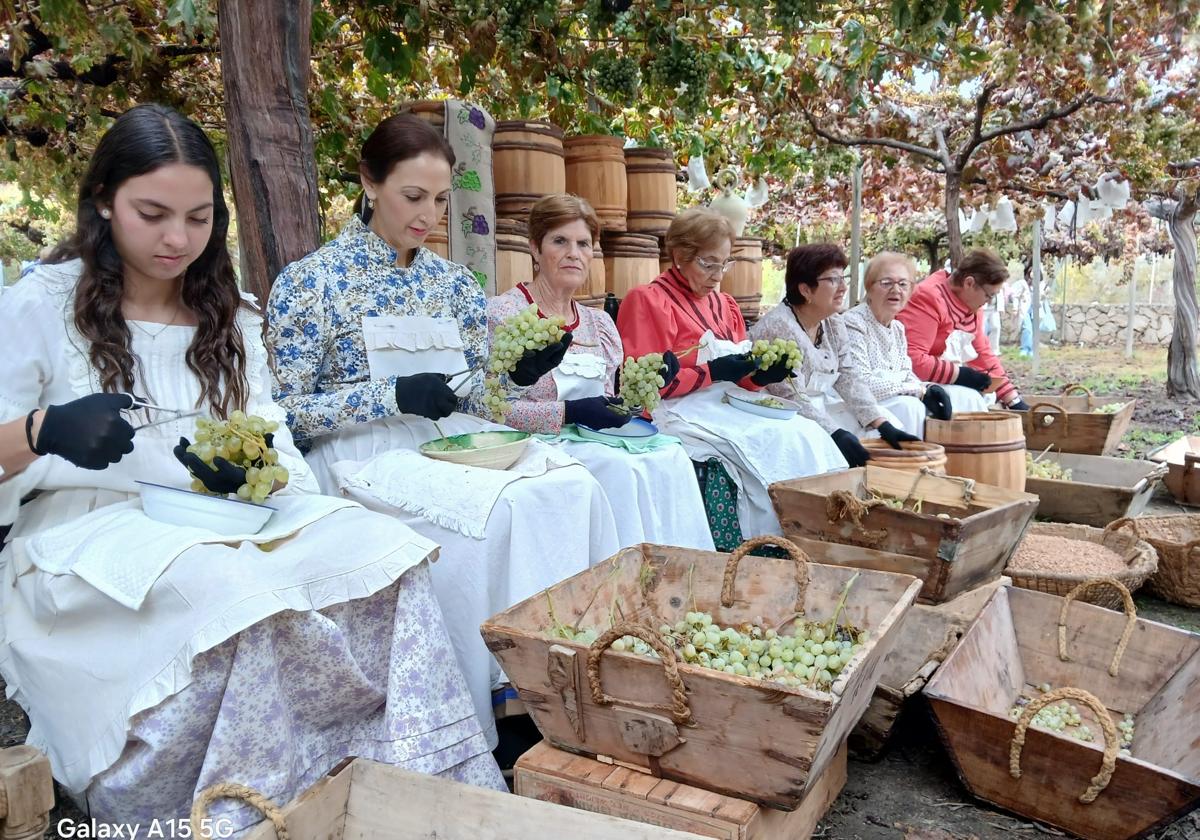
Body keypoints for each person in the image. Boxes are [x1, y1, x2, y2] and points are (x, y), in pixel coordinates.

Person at [0, 105, 501, 831]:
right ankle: (227, 811)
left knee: (385, 554)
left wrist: (289, 499)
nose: (177, 239)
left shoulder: (224, 314)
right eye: (152, 214)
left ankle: (404, 779)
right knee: (232, 591)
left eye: (199, 218)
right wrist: (45, 431)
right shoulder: (42, 305)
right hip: (87, 536)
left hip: (218, 516)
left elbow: (271, 435)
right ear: (104, 200)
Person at [268, 114, 620, 746]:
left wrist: (517, 374)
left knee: (575, 488)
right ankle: (488, 709)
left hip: (455, 444)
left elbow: (478, 395)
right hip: (360, 454)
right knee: (498, 519)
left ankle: (564, 678)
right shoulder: (311, 282)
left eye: (438, 199)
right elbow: (286, 412)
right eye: (412, 197)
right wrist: (389, 394)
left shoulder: (453, 283)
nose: (428, 215)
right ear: (369, 182)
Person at [487, 194, 713, 550]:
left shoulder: (600, 323)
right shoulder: (503, 315)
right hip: (536, 445)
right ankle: (619, 579)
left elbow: (611, 402)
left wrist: (644, 390)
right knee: (621, 470)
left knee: (671, 458)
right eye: (560, 241)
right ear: (534, 247)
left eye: (583, 244)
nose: (573, 253)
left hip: (595, 440)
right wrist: (570, 412)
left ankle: (676, 572)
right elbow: (490, 411)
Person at [616, 208, 846, 550]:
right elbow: (646, 388)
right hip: (679, 409)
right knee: (770, 440)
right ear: (679, 256)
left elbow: (741, 380)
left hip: (728, 406)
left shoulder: (725, 305)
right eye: (708, 264)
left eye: (725, 264)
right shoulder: (648, 300)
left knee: (805, 433)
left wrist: (759, 376)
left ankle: (815, 536)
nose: (717, 275)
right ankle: (765, 545)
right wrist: (714, 371)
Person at [896, 248, 1030, 413]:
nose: (988, 302)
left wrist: (1012, 399)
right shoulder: (928, 297)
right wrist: (959, 375)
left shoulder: (971, 305)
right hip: (911, 385)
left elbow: (983, 354)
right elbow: (913, 360)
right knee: (968, 399)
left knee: (975, 399)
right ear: (969, 283)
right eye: (988, 295)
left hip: (938, 382)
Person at [841, 251, 954, 435]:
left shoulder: (897, 328)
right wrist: (919, 391)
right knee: (910, 406)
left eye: (903, 284)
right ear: (869, 288)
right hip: (859, 410)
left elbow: (906, 374)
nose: (896, 290)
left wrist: (927, 388)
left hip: (891, 403)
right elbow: (862, 384)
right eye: (886, 283)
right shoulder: (853, 322)